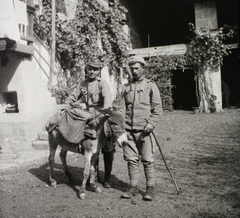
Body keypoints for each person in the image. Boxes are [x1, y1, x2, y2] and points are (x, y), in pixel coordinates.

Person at [66, 58, 115, 188]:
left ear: (99, 71)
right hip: (88, 117)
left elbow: (108, 103)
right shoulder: (83, 84)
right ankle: (94, 178)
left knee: (108, 148)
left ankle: (108, 178)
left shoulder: (102, 84)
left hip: (102, 116)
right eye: (90, 69)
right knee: (91, 147)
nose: (92, 71)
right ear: (87, 69)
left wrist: (102, 116)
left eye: (95, 69)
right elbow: (72, 97)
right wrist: (73, 103)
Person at [120, 55, 163, 201]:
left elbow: (157, 109)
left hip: (145, 131)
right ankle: (133, 188)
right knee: (131, 160)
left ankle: (150, 188)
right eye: (132, 69)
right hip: (128, 131)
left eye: (137, 68)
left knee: (147, 160)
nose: (134, 71)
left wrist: (150, 124)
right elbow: (120, 109)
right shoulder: (125, 88)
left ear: (143, 69)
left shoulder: (150, 86)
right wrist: (121, 130)